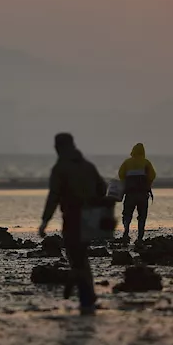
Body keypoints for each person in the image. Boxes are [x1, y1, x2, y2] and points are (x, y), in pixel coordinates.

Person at [38, 132, 107, 314]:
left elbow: (54, 196)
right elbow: (103, 188)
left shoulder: (60, 168)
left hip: (73, 217)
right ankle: (87, 296)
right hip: (91, 217)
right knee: (82, 257)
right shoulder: (88, 166)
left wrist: (45, 221)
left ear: (58, 148)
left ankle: (84, 298)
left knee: (76, 259)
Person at [116, 142, 157, 245]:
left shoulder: (127, 163)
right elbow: (152, 175)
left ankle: (126, 232)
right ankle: (140, 238)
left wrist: (127, 181)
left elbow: (121, 174)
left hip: (130, 194)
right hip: (143, 195)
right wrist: (147, 183)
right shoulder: (146, 163)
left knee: (127, 214)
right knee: (142, 216)